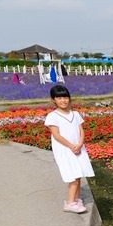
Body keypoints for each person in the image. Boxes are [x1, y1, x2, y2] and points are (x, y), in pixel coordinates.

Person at [44, 85, 95, 214]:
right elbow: (56, 135)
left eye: (65, 97)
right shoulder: (52, 116)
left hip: (78, 148)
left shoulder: (75, 114)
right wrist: (72, 146)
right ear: (53, 100)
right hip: (65, 150)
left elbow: (81, 130)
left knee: (79, 174)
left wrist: (80, 143)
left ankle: (76, 199)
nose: (63, 100)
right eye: (59, 98)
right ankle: (70, 203)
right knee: (73, 176)